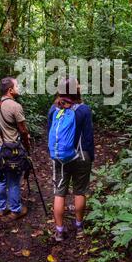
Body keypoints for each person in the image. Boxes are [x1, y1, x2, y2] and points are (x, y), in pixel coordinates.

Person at [47, 77, 94, 241]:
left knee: (59, 193)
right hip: (81, 155)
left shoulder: (54, 109)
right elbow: (88, 138)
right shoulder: (84, 110)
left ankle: (59, 231)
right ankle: (79, 228)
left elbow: (51, 134)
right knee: (80, 191)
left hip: (60, 158)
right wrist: (90, 157)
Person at [0, 76, 31, 220]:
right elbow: (23, 130)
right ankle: (15, 210)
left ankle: (1, 209)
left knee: (1, 178)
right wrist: (27, 145)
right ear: (10, 90)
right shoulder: (15, 106)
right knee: (14, 180)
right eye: (17, 86)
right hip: (11, 150)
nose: (18, 88)